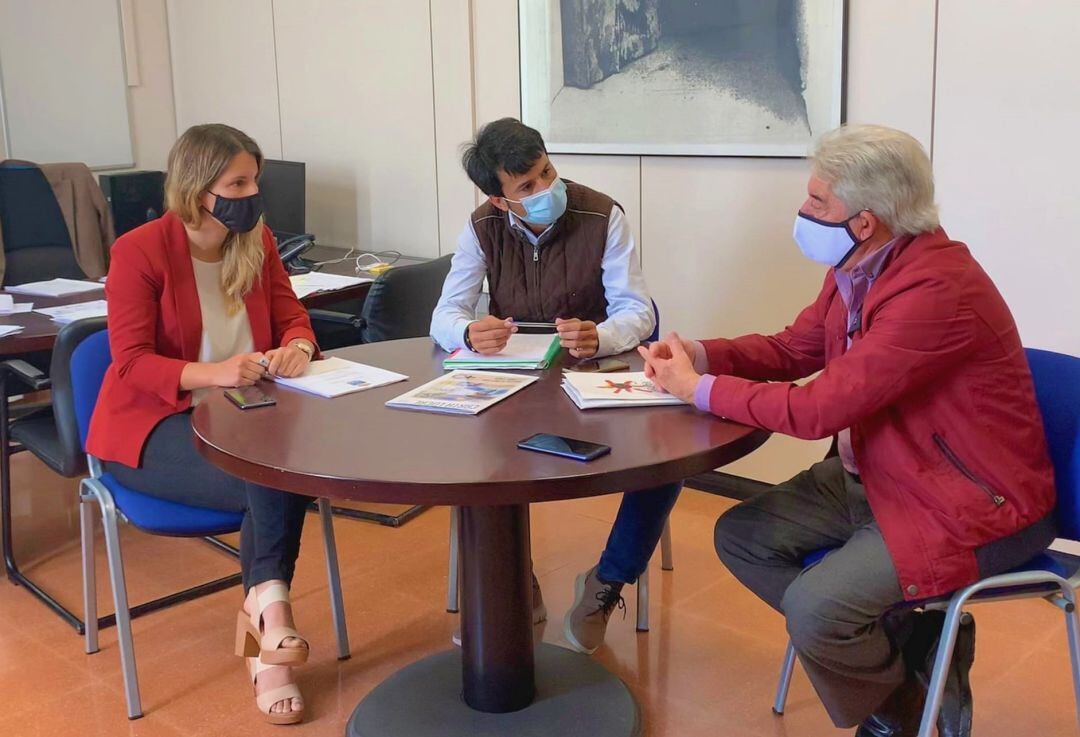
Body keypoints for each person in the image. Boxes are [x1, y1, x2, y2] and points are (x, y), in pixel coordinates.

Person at [639, 124, 1055, 737]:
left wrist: (694, 389)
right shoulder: (858, 266)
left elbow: (818, 411)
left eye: (817, 201)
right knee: (742, 536)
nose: (802, 210)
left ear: (864, 221)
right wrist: (702, 355)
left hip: (966, 504)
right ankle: (911, 659)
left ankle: (901, 714)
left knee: (817, 612)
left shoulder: (937, 289)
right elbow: (795, 348)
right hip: (881, 476)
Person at [87, 124, 321, 725]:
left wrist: (297, 343)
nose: (251, 194)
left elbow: (291, 312)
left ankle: (264, 621)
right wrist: (216, 373)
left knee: (275, 468)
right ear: (196, 189)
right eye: (236, 184)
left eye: (254, 182)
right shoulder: (140, 251)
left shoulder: (255, 240)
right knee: (272, 475)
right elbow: (131, 362)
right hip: (153, 425)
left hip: (243, 413)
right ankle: (272, 625)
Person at [431, 118, 680, 652]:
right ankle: (511, 585)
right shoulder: (481, 227)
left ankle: (607, 582)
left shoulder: (601, 214)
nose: (547, 188)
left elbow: (637, 311)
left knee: (666, 462)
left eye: (547, 172)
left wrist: (601, 335)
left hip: (595, 374)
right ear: (499, 200)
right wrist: (468, 332)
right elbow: (445, 313)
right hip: (517, 382)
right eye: (527, 186)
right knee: (466, 456)